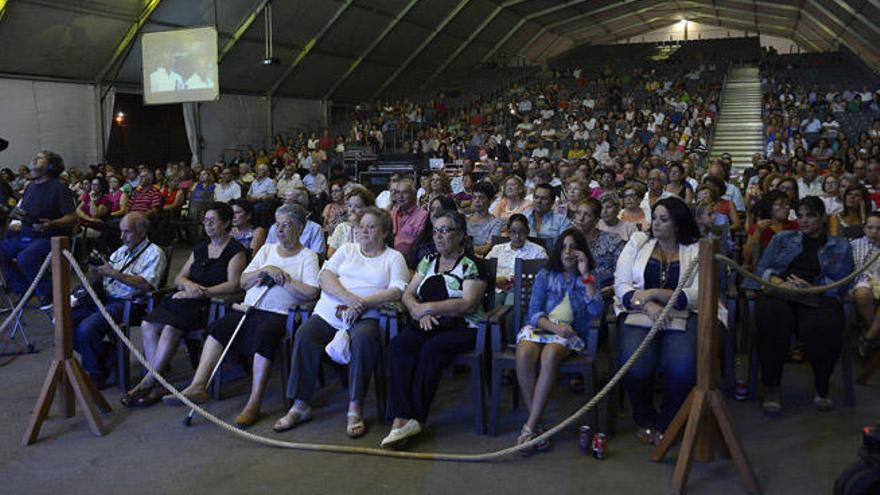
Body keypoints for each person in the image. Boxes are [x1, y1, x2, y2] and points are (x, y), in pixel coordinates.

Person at [170, 204, 320, 428]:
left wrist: (285, 279)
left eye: (285, 225)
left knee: (264, 334)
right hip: (249, 309)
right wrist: (264, 270)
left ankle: (254, 402)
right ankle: (198, 385)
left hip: (280, 315)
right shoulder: (267, 250)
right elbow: (242, 281)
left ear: (299, 228)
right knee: (220, 327)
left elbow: (312, 292)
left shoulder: (308, 256)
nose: (279, 230)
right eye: (276, 225)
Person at [276, 208, 409, 437]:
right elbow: (324, 277)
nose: (363, 231)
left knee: (363, 339)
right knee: (305, 335)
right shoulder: (347, 250)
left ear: (385, 232)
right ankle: (300, 404)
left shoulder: (393, 258)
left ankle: (355, 406)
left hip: (366, 317)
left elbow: (397, 290)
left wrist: (361, 304)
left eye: (371, 226)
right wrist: (348, 298)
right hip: (331, 313)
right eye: (360, 226)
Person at [121, 203, 247, 406]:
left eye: (213, 221)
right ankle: (158, 382)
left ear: (225, 223)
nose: (208, 225)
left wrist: (202, 292)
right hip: (185, 298)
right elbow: (180, 277)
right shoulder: (200, 248)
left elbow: (234, 284)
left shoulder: (235, 250)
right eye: (205, 221)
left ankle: (149, 382)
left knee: (171, 329)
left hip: (208, 304)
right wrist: (189, 286)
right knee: (148, 324)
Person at [381, 210, 487, 448]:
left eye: (446, 230)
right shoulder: (428, 261)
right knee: (399, 345)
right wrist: (416, 310)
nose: (439, 236)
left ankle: (416, 417)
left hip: (462, 327)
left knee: (432, 349)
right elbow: (408, 293)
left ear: (460, 235)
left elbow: (467, 303)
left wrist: (427, 308)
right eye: (436, 231)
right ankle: (400, 417)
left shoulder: (472, 265)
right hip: (426, 321)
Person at [752, 196, 854, 414]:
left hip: (819, 296)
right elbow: (762, 269)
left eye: (810, 215)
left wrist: (811, 286)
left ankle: (821, 385)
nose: (804, 220)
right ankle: (771, 386)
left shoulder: (840, 245)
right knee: (771, 319)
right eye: (800, 216)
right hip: (782, 293)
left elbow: (844, 281)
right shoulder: (782, 239)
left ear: (822, 217)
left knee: (825, 325)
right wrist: (779, 282)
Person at [614, 197, 702, 445]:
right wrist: (647, 304)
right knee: (635, 366)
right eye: (655, 218)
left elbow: (699, 291)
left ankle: (668, 420)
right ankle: (645, 418)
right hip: (640, 312)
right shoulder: (638, 242)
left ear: (678, 224)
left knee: (682, 369)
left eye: (664, 220)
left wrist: (656, 294)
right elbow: (621, 284)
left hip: (683, 313)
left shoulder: (695, 250)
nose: (656, 224)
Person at [514, 228, 603, 450]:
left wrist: (585, 275)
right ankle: (538, 423)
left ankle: (530, 426)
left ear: (582, 251)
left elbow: (597, 310)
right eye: (563, 246)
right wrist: (553, 327)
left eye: (573, 247)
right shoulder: (546, 274)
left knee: (551, 354)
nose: (568, 251)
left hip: (569, 333)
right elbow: (533, 312)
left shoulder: (590, 276)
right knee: (524, 352)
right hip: (543, 326)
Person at [72, 213, 167, 388]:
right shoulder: (120, 251)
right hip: (106, 297)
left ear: (142, 232)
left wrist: (114, 273)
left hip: (130, 303)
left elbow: (147, 284)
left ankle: (97, 373)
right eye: (121, 232)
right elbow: (100, 279)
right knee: (65, 322)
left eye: (127, 232)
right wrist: (94, 272)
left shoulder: (155, 253)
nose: (122, 237)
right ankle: (112, 358)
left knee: (87, 328)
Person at [0, 150, 77, 307]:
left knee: (25, 258)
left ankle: (48, 293)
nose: (34, 158)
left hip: (48, 237)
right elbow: (27, 211)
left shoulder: (59, 188)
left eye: (40, 158)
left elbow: (73, 217)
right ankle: (25, 288)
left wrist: (52, 223)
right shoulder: (29, 187)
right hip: (26, 235)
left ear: (50, 166)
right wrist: (18, 215)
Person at [487, 214, 548, 306]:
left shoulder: (538, 251)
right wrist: (495, 279)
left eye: (522, 232)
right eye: (513, 232)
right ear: (508, 232)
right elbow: (484, 269)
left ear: (527, 232)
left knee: (511, 304)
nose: (517, 236)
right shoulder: (497, 249)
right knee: (493, 302)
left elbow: (544, 276)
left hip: (522, 290)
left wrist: (518, 281)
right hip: (497, 288)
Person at [572, 198, 624, 293]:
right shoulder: (568, 240)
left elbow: (623, 273)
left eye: (586, 215)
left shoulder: (612, 241)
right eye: (578, 213)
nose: (580, 219)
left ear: (596, 221)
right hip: (575, 291)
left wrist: (613, 288)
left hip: (603, 291)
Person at [743, 190, 799, 268]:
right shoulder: (759, 227)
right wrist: (757, 232)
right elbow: (747, 258)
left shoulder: (796, 227)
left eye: (787, 204)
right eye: (780, 204)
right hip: (764, 269)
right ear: (770, 207)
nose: (786, 208)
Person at [851, 213, 880, 358]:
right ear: (864, 228)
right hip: (862, 279)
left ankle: (869, 337)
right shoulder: (854, 244)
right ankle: (874, 331)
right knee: (862, 293)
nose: (875, 232)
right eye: (871, 227)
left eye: (879, 228)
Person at [265, 188, 325, 254]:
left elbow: (317, 256)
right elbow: (266, 252)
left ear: (301, 205)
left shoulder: (315, 229)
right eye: (283, 201)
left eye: (288, 202)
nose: (283, 206)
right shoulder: (275, 227)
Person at [327, 188, 375, 259]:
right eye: (349, 206)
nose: (352, 210)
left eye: (357, 207)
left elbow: (371, 253)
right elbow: (330, 254)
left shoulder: (373, 229)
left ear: (368, 208)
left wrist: (356, 225)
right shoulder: (342, 227)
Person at [391, 177, 428, 256]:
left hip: (411, 257)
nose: (400, 196)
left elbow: (419, 244)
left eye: (404, 193)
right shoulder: (393, 212)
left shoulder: (422, 216)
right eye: (398, 192)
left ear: (414, 195)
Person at [466, 182, 503, 257]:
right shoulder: (465, 219)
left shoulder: (496, 223)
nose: (477, 201)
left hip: (483, 259)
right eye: (474, 197)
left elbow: (485, 249)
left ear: (490, 201)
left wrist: (464, 248)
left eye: (481, 198)